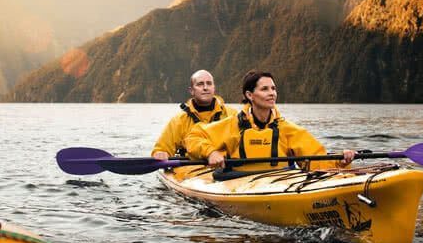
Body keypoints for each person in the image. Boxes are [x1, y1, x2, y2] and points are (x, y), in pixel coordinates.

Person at [186, 70, 356, 171]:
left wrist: (340, 162)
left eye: (273, 88)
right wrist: (210, 152)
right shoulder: (232, 125)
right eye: (265, 89)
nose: (272, 93)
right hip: (239, 184)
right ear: (249, 95)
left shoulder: (287, 129)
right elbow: (194, 137)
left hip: (278, 186)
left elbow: (316, 160)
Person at [151, 70, 237, 160]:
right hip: (190, 168)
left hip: (225, 166)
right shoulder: (179, 120)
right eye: (200, 84)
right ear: (191, 91)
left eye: (209, 83)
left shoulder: (232, 114)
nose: (205, 87)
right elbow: (162, 148)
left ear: (214, 88)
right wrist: (161, 153)